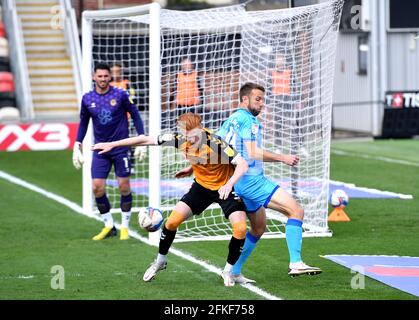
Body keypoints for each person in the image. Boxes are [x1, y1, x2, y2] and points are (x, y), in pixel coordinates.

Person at [92, 112, 249, 287]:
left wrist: (229, 184)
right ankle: (160, 260)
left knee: (241, 228)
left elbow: (242, 164)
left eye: (195, 137)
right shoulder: (178, 139)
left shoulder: (216, 142)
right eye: (187, 137)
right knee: (172, 222)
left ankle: (227, 270)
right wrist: (111, 145)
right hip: (202, 188)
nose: (190, 141)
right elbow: (145, 140)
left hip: (225, 188)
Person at [218, 82, 322, 279]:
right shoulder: (249, 121)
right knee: (296, 211)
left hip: (239, 182)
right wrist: (283, 158)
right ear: (245, 99)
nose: (262, 104)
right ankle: (296, 262)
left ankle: (233, 271)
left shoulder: (231, 119)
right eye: (258, 99)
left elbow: (216, 145)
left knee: (258, 228)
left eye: (263, 100)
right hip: (252, 182)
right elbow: (253, 152)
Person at [72, 62, 146, 241]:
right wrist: (77, 143)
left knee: (124, 186)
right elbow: (83, 122)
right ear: (94, 76)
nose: (103, 79)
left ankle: (125, 227)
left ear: (109, 77)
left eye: (106, 76)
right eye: (100, 76)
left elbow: (135, 115)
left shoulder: (120, 94)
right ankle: (109, 225)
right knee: (97, 187)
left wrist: (142, 138)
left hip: (121, 148)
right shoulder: (87, 98)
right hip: (100, 149)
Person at [110, 62, 146, 172]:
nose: (116, 73)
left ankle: (131, 164)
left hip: (127, 117)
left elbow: (133, 99)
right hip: (112, 119)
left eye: (118, 71)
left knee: (130, 140)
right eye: (114, 71)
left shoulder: (127, 83)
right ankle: (114, 163)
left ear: (121, 71)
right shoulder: (109, 84)